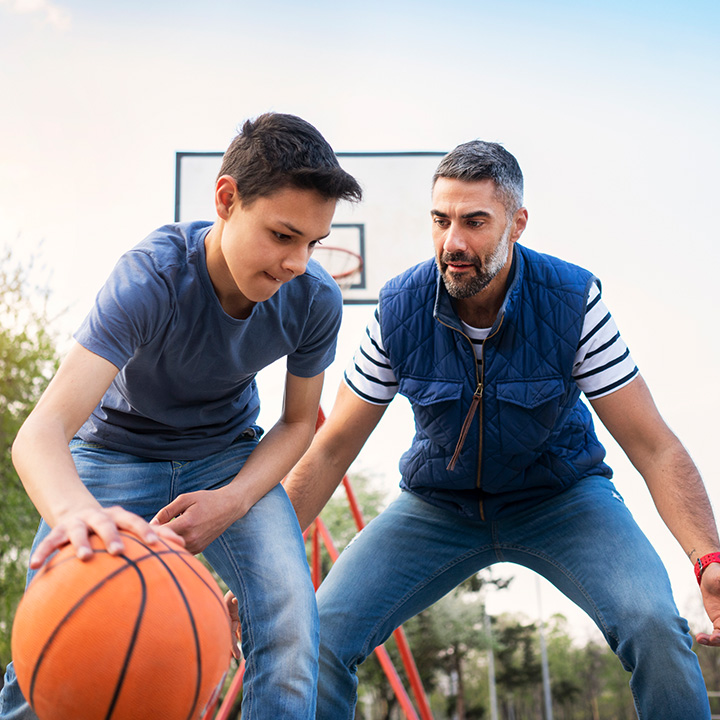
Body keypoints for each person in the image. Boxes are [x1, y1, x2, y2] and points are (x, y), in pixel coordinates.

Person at [280, 140, 720, 718]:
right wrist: (271, 562)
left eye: (474, 222)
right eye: (441, 221)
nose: (453, 243)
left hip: (561, 498)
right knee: (323, 635)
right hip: (440, 505)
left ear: (517, 223)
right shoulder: (397, 311)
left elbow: (654, 446)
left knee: (654, 623)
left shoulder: (573, 303)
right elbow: (331, 446)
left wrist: (708, 559)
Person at [0, 112, 362, 720]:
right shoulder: (151, 278)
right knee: (60, 625)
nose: (298, 260)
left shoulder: (314, 299)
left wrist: (236, 498)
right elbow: (39, 434)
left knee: (293, 623)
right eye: (282, 235)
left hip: (226, 456)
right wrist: (80, 516)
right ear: (227, 199)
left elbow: (300, 422)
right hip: (112, 451)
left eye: (313, 243)